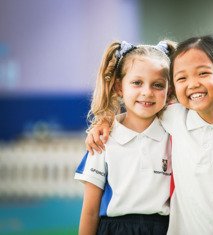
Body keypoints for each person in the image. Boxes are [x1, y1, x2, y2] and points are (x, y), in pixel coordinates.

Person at [85, 35, 213, 235]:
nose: (192, 84)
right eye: (182, 78)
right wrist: (104, 122)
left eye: (203, 73)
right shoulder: (174, 118)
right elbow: (139, 110)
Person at [74, 40, 176, 235]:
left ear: (169, 90)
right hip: (114, 229)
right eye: (137, 83)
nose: (147, 92)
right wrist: (103, 121)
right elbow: (90, 211)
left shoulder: (175, 135)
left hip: (164, 228)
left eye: (157, 85)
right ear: (119, 87)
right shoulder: (102, 140)